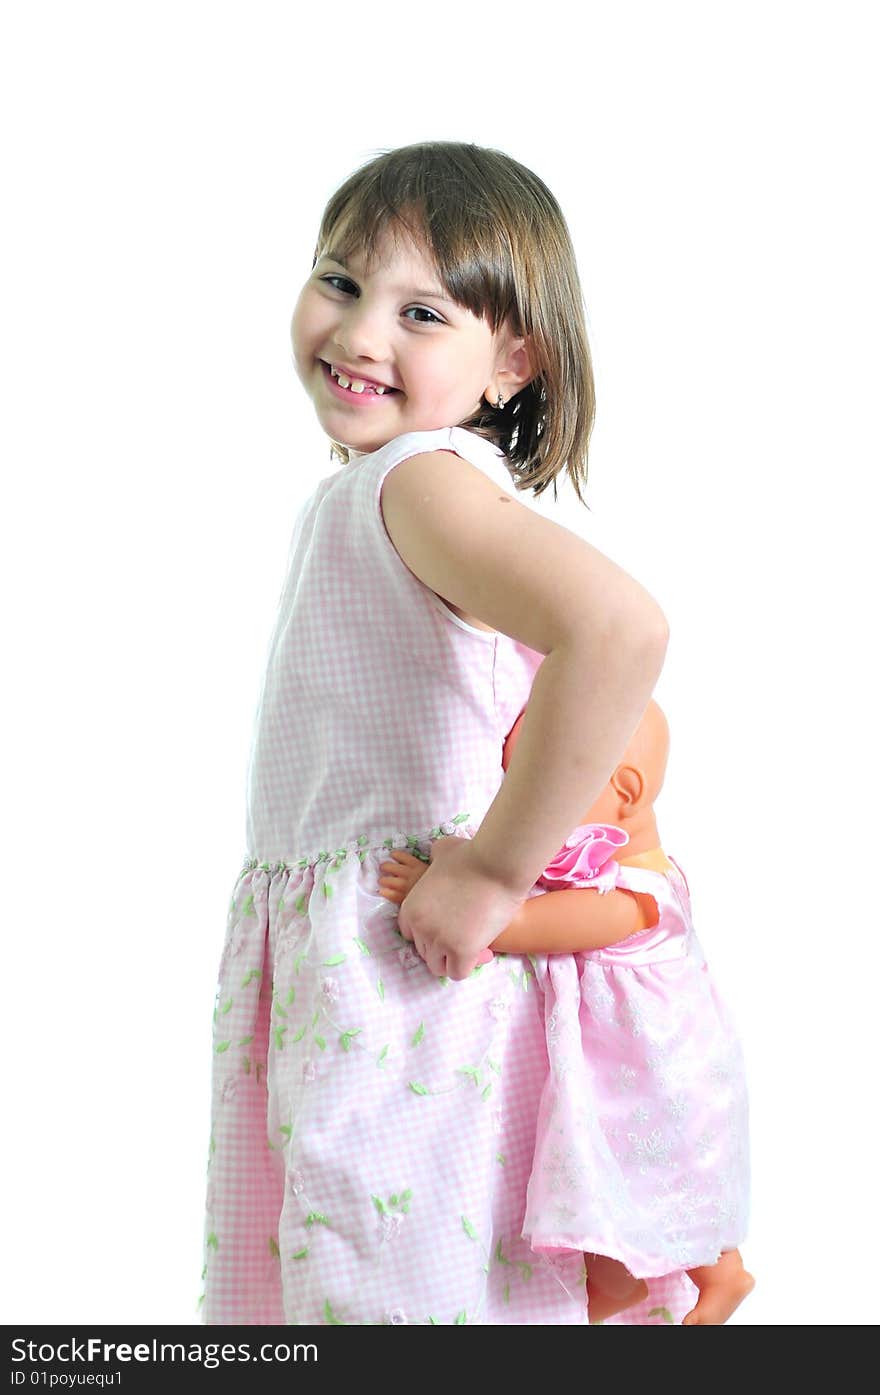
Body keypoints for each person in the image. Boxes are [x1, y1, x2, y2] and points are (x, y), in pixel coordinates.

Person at [201, 141, 680, 1326]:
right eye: (341, 281)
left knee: (394, 1298)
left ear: (513, 364)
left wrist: (491, 875)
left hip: (403, 989)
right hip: (355, 971)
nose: (362, 334)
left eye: (422, 311)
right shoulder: (371, 490)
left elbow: (615, 630)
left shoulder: (421, 480)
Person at [377, 698, 754, 1324]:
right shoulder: (616, 879)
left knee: (667, 1179)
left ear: (623, 790)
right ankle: (615, 1283)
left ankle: (723, 1274)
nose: (519, 805)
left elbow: (510, 924)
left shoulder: (630, 904)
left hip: (659, 1087)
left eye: (541, 783)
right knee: (602, 1177)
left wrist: (433, 883)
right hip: (633, 1073)